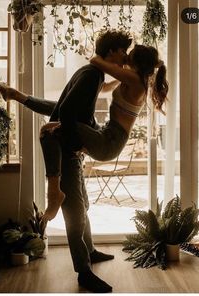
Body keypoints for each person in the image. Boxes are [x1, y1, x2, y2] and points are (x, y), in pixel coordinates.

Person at [0, 29, 132, 293]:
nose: (125, 58)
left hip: (68, 149)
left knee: (83, 205)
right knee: (75, 211)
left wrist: (21, 97)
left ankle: (89, 250)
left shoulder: (89, 74)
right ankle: (83, 271)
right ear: (112, 51)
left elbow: (58, 108)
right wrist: (77, 143)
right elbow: (65, 112)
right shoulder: (91, 75)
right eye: (123, 51)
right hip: (67, 152)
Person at [38, 44, 168, 221]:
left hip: (111, 141)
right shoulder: (133, 79)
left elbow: (95, 60)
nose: (126, 55)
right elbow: (105, 88)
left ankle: (54, 193)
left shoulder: (135, 79)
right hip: (107, 135)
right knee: (54, 130)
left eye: (129, 54)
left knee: (48, 130)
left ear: (136, 61)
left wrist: (111, 55)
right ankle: (62, 194)